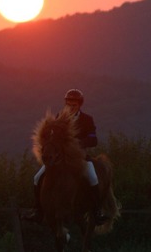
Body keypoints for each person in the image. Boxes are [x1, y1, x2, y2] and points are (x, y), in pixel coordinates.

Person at [24, 88, 108, 226]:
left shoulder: (87, 119)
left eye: (73, 104)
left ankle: (97, 211)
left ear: (80, 105)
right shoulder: (59, 118)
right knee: (37, 177)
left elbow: (94, 139)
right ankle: (37, 210)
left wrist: (77, 144)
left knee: (93, 177)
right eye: (68, 104)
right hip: (60, 158)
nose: (70, 107)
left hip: (80, 157)